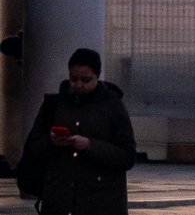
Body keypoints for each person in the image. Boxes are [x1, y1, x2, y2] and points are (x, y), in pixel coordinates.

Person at [17, 47, 136, 215]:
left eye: (86, 80)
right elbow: (32, 148)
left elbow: (127, 156)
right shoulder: (54, 105)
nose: (79, 85)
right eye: (74, 79)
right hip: (59, 200)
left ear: (97, 76)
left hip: (100, 202)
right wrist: (51, 141)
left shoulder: (113, 106)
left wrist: (90, 145)